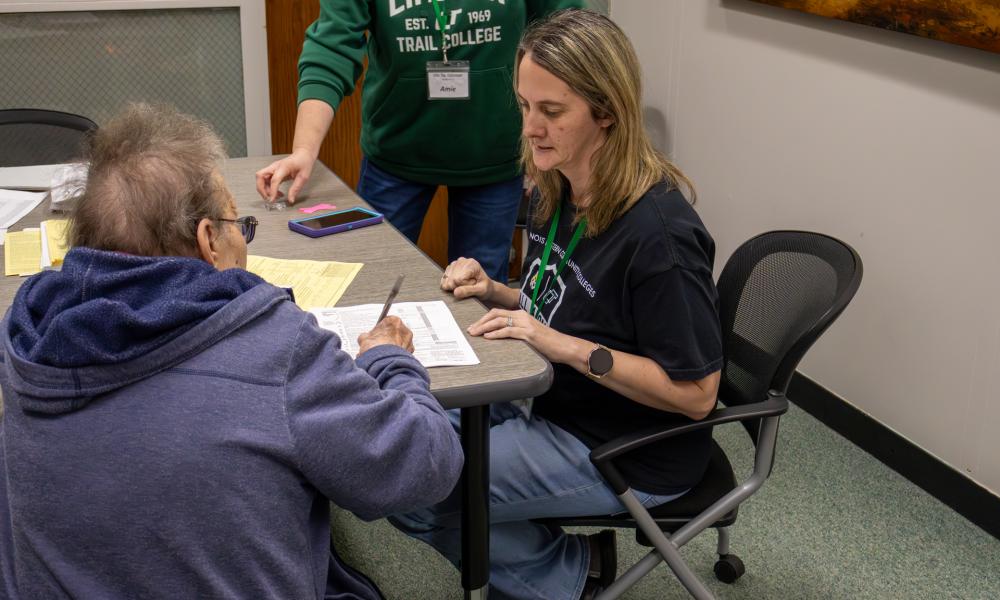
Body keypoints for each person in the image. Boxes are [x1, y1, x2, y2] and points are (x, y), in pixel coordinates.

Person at [0, 103, 463, 600]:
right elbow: (426, 465)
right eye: (237, 223)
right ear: (208, 241)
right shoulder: (277, 349)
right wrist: (388, 361)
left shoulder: (27, 339)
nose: (241, 237)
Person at [390, 9, 724, 600]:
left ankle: (570, 576)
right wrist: (494, 290)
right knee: (399, 434)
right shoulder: (567, 183)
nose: (531, 128)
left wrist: (561, 346)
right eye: (524, 106)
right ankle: (559, 551)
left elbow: (697, 394)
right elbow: (568, 297)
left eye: (551, 111)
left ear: (607, 112)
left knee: (410, 485)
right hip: (552, 402)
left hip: (629, 450)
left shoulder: (661, 238)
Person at [255, 0, 580, 283]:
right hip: (395, 154)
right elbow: (331, 46)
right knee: (375, 278)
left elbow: (568, 36)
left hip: (492, 154)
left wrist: (551, 146)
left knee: (478, 294)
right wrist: (304, 150)